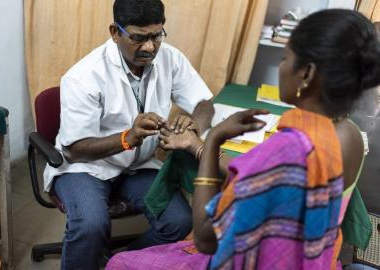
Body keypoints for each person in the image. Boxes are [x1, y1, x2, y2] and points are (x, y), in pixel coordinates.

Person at [107, 9, 380, 270]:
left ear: (306, 73)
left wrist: (212, 138)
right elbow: (266, 179)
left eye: (285, 58)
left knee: (118, 263)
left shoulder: (287, 150)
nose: (281, 68)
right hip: (317, 259)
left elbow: (205, 237)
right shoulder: (349, 134)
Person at [43, 0, 215, 269]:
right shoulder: (84, 76)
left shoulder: (169, 57)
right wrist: (128, 138)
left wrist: (193, 126)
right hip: (87, 168)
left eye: (156, 36)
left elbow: (204, 103)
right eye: (138, 38)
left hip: (138, 165)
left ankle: (119, 262)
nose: (149, 47)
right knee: (91, 225)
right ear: (115, 32)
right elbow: (75, 149)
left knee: (179, 221)